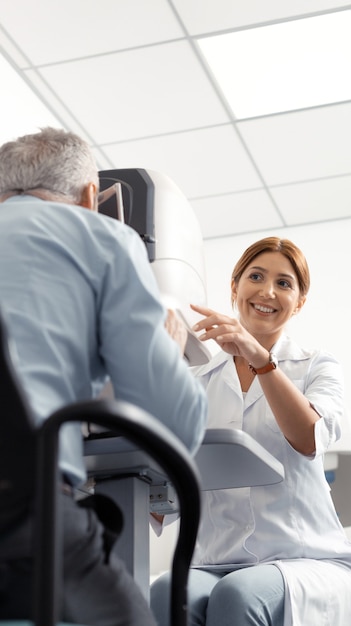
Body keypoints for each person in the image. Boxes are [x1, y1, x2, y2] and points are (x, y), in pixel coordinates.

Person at [0, 127, 207, 625]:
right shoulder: (103, 236)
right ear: (93, 196)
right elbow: (175, 427)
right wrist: (169, 347)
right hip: (23, 525)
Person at [150, 236, 351, 626]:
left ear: (299, 302)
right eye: (256, 276)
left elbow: (308, 438)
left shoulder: (317, 366)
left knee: (239, 595)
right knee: (165, 594)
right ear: (235, 287)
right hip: (215, 561)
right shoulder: (195, 380)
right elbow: (170, 495)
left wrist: (261, 360)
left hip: (306, 559)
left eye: (284, 283)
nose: (267, 291)